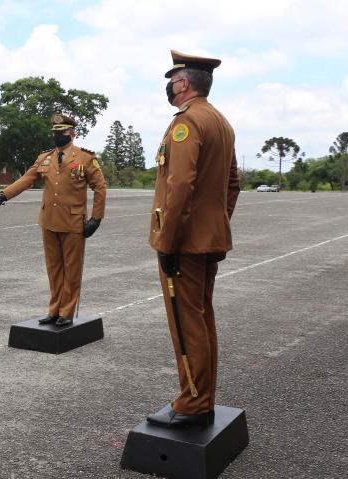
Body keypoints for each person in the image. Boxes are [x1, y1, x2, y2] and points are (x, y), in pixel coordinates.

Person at [144, 50, 241, 428]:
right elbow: (233, 184)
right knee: (202, 317)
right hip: (207, 239)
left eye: (172, 80)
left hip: (183, 243)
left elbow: (180, 184)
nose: (169, 87)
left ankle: (193, 403)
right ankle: (203, 397)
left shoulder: (187, 123)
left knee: (187, 323)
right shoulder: (221, 121)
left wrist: (167, 242)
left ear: (183, 83)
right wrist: (214, 223)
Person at [0, 114, 107, 326]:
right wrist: (3, 195)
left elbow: (100, 188)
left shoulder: (85, 158)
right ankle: (54, 310)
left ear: (72, 134)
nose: (57, 136)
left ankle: (66, 312)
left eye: (61, 132)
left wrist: (96, 218)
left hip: (73, 223)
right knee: (54, 269)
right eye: (55, 133)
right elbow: (27, 179)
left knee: (71, 269)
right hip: (49, 221)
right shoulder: (45, 158)